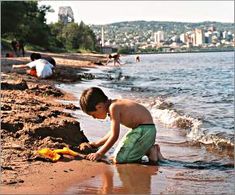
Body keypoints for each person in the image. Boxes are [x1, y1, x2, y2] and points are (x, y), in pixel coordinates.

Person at [79, 87, 164, 164]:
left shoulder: (113, 107)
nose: (94, 118)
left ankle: (150, 151)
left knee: (120, 159)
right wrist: (97, 144)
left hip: (144, 131)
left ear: (99, 107)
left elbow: (114, 136)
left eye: (93, 115)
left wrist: (100, 153)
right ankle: (148, 148)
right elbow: (112, 132)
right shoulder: (114, 105)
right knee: (116, 155)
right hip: (143, 129)